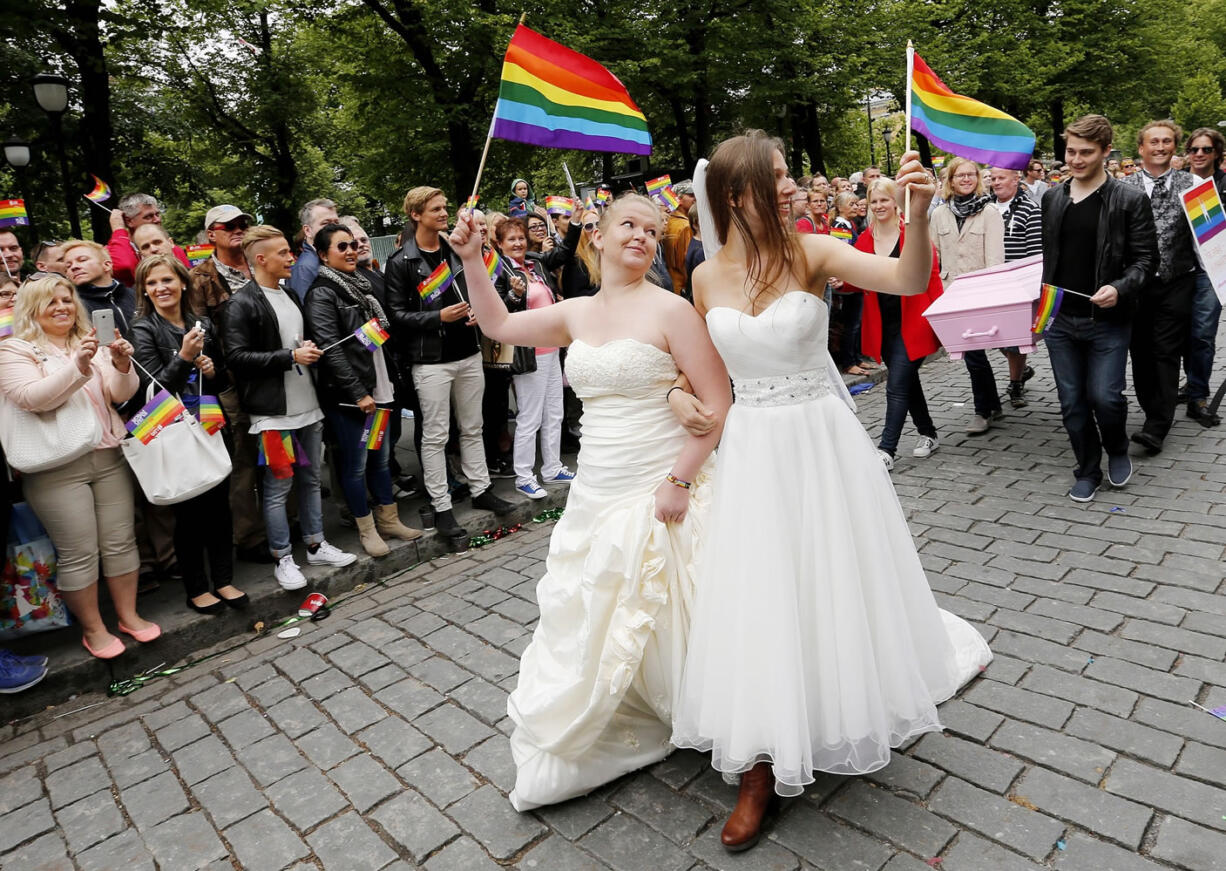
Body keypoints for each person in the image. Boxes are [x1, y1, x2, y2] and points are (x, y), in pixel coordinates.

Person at [670, 131, 991, 852]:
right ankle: (758, 763)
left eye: (790, 175)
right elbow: (702, 376)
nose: (791, 186)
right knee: (759, 589)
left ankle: (839, 701)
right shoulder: (703, 277)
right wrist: (674, 395)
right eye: (776, 177)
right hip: (751, 449)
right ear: (735, 193)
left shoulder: (812, 252)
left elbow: (907, 282)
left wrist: (916, 210)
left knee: (830, 577)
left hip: (819, 441)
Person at [454, 192, 732, 812]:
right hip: (597, 483)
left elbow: (717, 404)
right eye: (628, 225)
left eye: (652, 231)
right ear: (597, 238)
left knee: (671, 592)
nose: (641, 236)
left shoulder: (674, 311)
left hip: (659, 475)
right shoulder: (573, 312)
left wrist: (681, 480)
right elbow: (498, 326)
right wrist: (474, 258)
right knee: (596, 595)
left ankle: (696, 701)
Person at [0, 276, 158, 658]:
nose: (62, 307)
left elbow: (119, 395)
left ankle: (128, 616)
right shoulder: (14, 350)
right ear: (31, 308)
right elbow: (31, 398)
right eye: (50, 301)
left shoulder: (90, 342)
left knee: (121, 542)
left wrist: (121, 364)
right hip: (55, 467)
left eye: (67, 299)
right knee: (79, 552)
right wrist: (78, 366)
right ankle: (94, 629)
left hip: (108, 455)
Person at [226, 225, 358, 588]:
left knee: (311, 479)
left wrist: (305, 350)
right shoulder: (242, 302)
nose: (292, 258)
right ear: (260, 259)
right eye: (284, 252)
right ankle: (282, 556)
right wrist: (290, 356)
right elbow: (236, 357)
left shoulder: (289, 295)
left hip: (309, 406)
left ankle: (316, 544)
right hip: (273, 415)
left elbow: (294, 342)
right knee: (278, 486)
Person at [384, 186, 517, 540]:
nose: (444, 214)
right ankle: (441, 505)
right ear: (416, 214)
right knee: (436, 435)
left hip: (469, 352)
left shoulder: (454, 250)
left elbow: (476, 286)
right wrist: (437, 317)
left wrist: (476, 311)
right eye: (436, 209)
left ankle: (481, 489)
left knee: (473, 426)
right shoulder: (401, 262)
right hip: (430, 361)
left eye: (444, 208)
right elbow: (396, 316)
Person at [1040, 114, 1157, 502]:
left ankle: (1117, 448)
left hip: (1107, 319)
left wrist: (1119, 288)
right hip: (1061, 320)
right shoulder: (1052, 198)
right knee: (1072, 401)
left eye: (1085, 152)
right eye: (1071, 151)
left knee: (1106, 397)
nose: (1075, 159)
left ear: (1107, 152)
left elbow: (1145, 261)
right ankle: (1087, 469)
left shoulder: (1129, 199)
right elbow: (1050, 261)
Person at [131, 255, 247, 614]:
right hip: (174, 432)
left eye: (166, 280)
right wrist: (183, 357)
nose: (160, 288)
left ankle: (224, 580)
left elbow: (225, 377)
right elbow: (151, 391)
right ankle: (197, 587)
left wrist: (212, 371)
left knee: (219, 508)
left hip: (210, 423)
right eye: (152, 284)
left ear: (182, 283)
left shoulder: (202, 323)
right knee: (189, 514)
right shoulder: (143, 329)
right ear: (145, 291)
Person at [304, 223, 421, 557]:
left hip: (379, 387)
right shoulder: (323, 293)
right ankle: (366, 529)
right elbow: (331, 348)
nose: (351, 251)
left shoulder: (362, 286)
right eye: (342, 247)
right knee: (355, 466)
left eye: (353, 244)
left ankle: (389, 519)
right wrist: (357, 393)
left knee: (381, 459)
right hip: (351, 398)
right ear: (323, 255)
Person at [847, 177, 943, 469]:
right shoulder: (863, 241)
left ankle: (886, 449)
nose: (878, 206)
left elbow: (933, 274)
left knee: (897, 384)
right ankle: (928, 432)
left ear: (896, 202)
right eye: (873, 201)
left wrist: (940, 317)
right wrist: (842, 280)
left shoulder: (911, 234)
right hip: (884, 327)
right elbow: (856, 278)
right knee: (907, 382)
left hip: (914, 321)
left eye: (884, 200)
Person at [1120, 121, 1197, 456]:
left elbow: (1212, 236)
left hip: (1177, 280)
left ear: (1174, 146)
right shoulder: (1123, 187)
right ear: (1141, 148)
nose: (1161, 146)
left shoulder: (1193, 183)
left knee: (1166, 351)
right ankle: (1152, 409)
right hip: (1136, 285)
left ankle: (1157, 425)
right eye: (1154, 142)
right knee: (1140, 351)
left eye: (1167, 141)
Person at [493, 217, 579, 499]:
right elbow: (499, 313)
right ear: (500, 244)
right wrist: (515, 296)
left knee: (554, 411)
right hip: (528, 353)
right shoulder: (500, 271)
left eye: (520, 238)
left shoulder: (534, 263)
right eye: (511, 240)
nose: (517, 243)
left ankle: (553, 467)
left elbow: (563, 253)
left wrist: (575, 222)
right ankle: (524, 476)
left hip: (551, 347)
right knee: (530, 417)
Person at [931, 157, 1006, 434]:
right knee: (972, 354)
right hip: (951, 293)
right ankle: (993, 404)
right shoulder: (940, 214)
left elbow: (996, 260)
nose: (965, 179)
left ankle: (982, 411)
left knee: (974, 355)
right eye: (959, 175)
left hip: (979, 292)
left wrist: (992, 295)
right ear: (950, 181)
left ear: (977, 179)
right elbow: (934, 255)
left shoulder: (989, 212)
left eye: (970, 175)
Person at [989, 166, 1044, 407]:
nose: (996, 182)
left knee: (1015, 338)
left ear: (1016, 179)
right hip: (991, 282)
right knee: (994, 336)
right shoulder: (986, 207)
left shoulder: (1030, 209)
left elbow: (1034, 253)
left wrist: (1028, 286)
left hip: (1017, 284)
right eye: (993, 178)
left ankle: (1016, 384)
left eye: (1001, 178)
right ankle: (1021, 369)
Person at [1182, 127, 1226, 426]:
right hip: (1179, 269)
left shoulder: (1223, 185)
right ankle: (1190, 384)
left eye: (1206, 149)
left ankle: (1198, 394)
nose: (1199, 154)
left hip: (1212, 270)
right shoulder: (1179, 183)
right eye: (1195, 149)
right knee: (1181, 334)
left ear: (1217, 154)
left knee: (1202, 334)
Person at [105, 194, 191, 287]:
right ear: (129, 221)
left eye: (157, 214)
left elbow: (189, 282)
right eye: (149, 216)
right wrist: (118, 229)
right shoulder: (113, 250)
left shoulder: (174, 249)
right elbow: (124, 267)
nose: (157, 219)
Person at [188, 205, 253, 326]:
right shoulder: (198, 277)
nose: (239, 231)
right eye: (230, 227)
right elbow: (200, 328)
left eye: (243, 226)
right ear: (211, 235)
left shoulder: (262, 261)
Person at [289, 198, 340, 301]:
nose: (334, 228)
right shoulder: (304, 269)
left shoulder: (332, 259)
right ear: (307, 230)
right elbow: (308, 312)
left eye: (336, 223)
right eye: (326, 223)